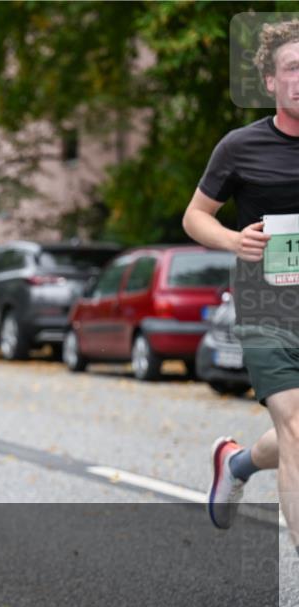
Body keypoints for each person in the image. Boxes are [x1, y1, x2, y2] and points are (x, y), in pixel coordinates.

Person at [183, 18, 299, 546]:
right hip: (268, 304)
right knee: (296, 425)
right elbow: (195, 217)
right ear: (271, 82)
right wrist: (234, 241)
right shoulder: (240, 147)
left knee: (294, 433)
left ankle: (237, 463)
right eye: (292, 69)